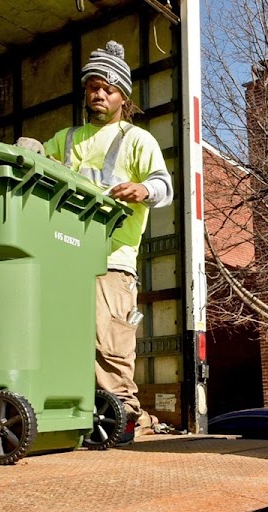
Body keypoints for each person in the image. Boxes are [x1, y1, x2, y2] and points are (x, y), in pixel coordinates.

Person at [38, 41, 174, 442]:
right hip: (62, 258)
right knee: (61, 339)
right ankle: (70, 418)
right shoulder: (64, 139)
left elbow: (164, 187)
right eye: (93, 87)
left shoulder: (137, 140)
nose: (98, 94)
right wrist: (26, 148)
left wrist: (142, 190)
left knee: (109, 348)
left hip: (112, 261)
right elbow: (33, 163)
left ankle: (122, 420)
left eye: (108, 88)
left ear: (123, 97)